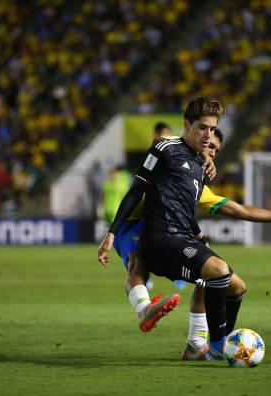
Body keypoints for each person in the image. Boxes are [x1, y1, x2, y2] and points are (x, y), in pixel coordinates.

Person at [98, 96, 240, 360]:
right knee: (137, 261)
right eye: (205, 132)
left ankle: (197, 344)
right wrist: (112, 232)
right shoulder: (169, 149)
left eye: (215, 148)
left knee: (208, 276)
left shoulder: (197, 171)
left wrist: (198, 235)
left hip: (166, 226)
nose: (210, 147)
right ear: (190, 127)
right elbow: (144, 178)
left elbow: (183, 208)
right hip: (133, 220)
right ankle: (143, 309)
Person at [181, 128, 271, 360]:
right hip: (153, 237)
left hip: (178, 237)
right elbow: (160, 141)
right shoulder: (172, 155)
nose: (211, 152)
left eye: (215, 149)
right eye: (209, 145)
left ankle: (204, 345)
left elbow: (240, 209)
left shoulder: (198, 187)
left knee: (235, 287)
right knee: (213, 273)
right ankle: (211, 346)